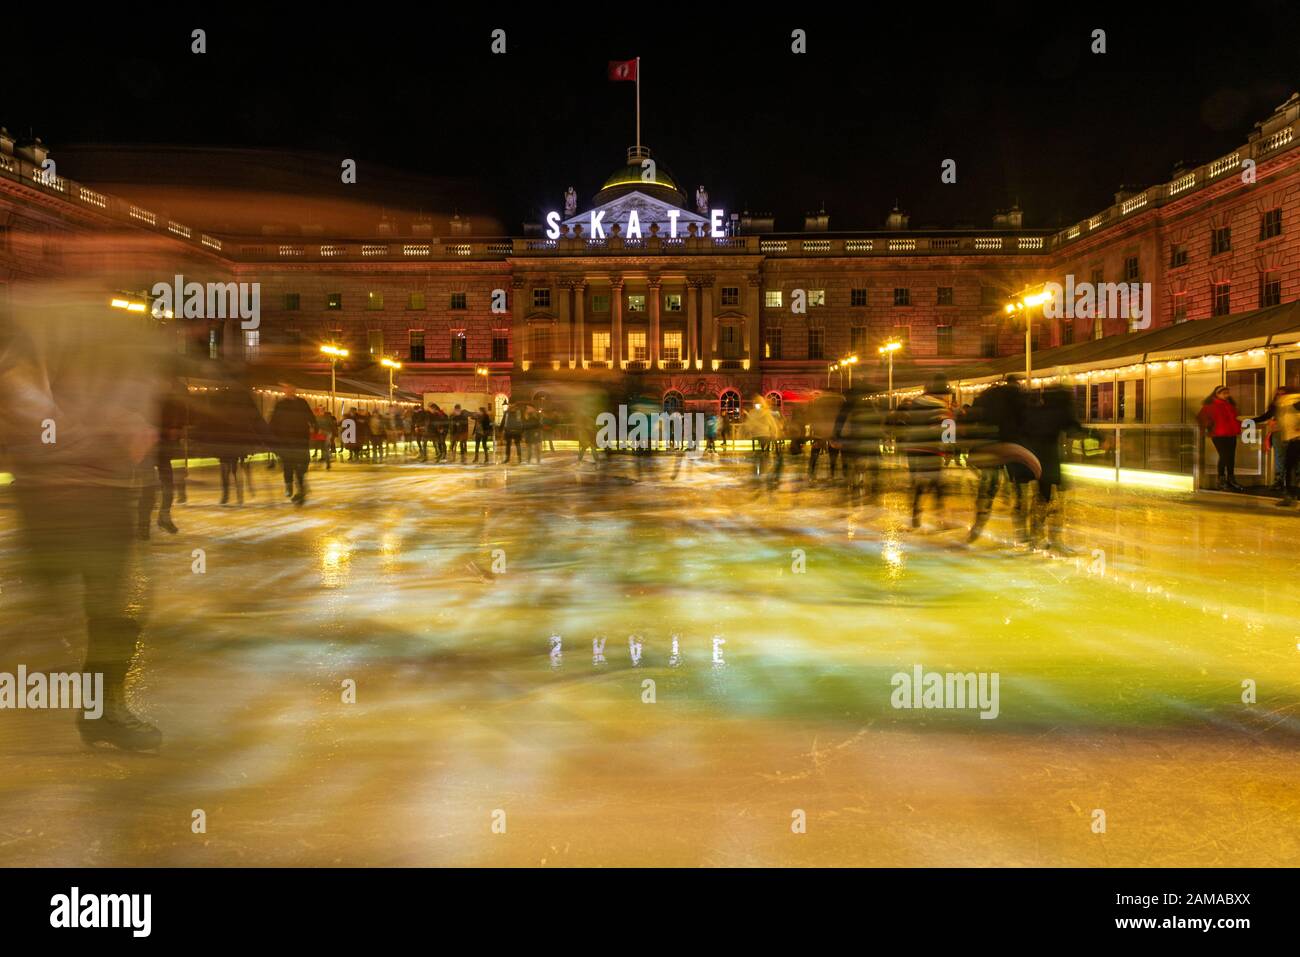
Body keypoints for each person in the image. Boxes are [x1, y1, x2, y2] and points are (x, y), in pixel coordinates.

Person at [966, 374, 1032, 543]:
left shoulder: (988, 396)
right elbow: (1027, 423)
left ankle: (978, 525)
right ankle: (1021, 531)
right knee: (1019, 489)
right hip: (1014, 448)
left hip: (990, 447)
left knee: (987, 488)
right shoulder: (1021, 398)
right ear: (1017, 384)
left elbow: (973, 419)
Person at [894, 376, 953, 529]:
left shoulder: (914, 403)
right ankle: (940, 517)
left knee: (921, 481)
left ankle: (915, 515)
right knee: (937, 482)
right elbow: (948, 430)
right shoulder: (941, 405)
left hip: (913, 446)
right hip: (931, 448)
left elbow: (906, 422)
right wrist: (949, 449)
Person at [1251, 386, 1300, 506]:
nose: (1279, 396)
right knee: (1288, 465)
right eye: (1278, 394)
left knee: (1289, 466)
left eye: (1282, 394)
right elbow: (1267, 416)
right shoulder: (1280, 405)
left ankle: (1289, 495)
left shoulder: (1292, 403)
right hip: (1291, 438)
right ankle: (1289, 494)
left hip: (1296, 438)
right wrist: (1250, 421)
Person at [270, 384, 315, 504]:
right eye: (287, 388)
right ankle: (289, 485)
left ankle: (300, 489)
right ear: (285, 391)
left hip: (300, 439)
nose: (289, 390)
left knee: (301, 465)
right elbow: (274, 421)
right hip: (286, 441)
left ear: (294, 389)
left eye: (291, 388)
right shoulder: (280, 404)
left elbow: (310, 416)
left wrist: (314, 426)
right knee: (288, 464)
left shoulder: (302, 403)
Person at [1197, 385, 1245, 491]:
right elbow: (1201, 418)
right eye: (1224, 393)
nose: (1226, 395)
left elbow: (1235, 418)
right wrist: (1209, 426)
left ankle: (1231, 479)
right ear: (1217, 394)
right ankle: (1221, 480)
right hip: (1218, 434)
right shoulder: (1209, 406)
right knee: (1224, 456)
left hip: (1231, 434)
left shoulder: (1230, 405)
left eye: (1227, 393)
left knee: (1231, 457)